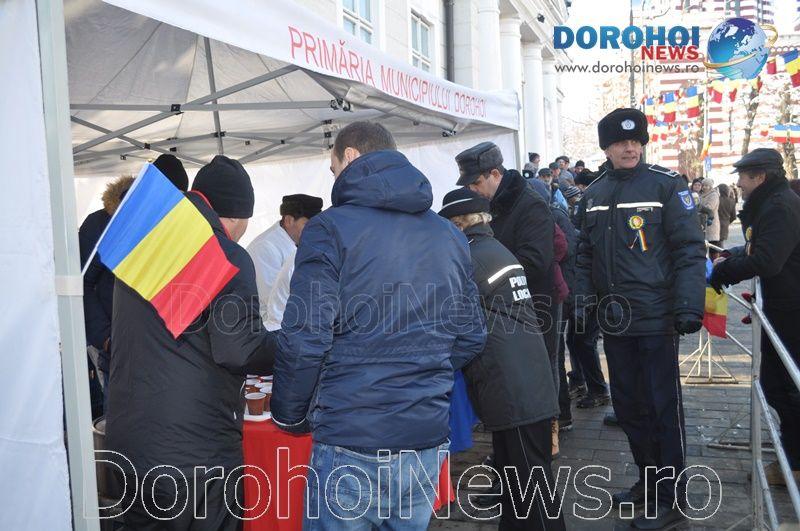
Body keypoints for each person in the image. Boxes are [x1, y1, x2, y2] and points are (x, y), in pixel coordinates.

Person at [271, 122, 486, 529]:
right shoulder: (449, 235)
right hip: (422, 437)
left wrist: (289, 414)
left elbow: (305, 337)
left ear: (350, 156)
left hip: (352, 436)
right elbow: (470, 335)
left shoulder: (329, 228)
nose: (333, 177)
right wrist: (421, 371)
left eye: (333, 168)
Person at [106, 155, 277, 530]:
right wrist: (286, 343)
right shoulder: (225, 256)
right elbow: (239, 350)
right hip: (195, 458)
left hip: (128, 447)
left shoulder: (144, 243)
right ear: (237, 217)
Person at [574, 108, 706, 529]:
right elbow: (584, 254)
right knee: (629, 407)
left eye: (635, 141)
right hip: (615, 321)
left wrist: (689, 305)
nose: (629, 147)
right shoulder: (594, 194)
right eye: (619, 142)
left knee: (662, 408)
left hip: (657, 317)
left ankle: (672, 498)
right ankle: (649, 482)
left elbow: (689, 249)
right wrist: (582, 301)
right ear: (606, 148)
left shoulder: (666, 185)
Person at [439, 188, 564, 531]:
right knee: (519, 486)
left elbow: (460, 329)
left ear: (457, 224)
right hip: (526, 379)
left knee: (531, 492)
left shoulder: (468, 259)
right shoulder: (496, 250)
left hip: (511, 386)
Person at [710, 148, 800, 486]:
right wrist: (730, 254)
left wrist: (722, 273)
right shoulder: (772, 203)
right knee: (775, 385)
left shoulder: (779, 207)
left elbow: (766, 260)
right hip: (781, 308)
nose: (739, 184)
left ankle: (794, 464)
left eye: (743, 178)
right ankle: (792, 460)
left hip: (791, 313)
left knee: (785, 388)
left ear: (759, 177)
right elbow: (755, 247)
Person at [455, 142, 557, 417]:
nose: (472, 190)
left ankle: (551, 426)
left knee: (540, 369)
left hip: (535, 301)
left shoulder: (530, 204)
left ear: (495, 174)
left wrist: (490, 272)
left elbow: (536, 261)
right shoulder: (492, 204)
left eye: (476, 182)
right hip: (504, 304)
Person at [79, 175, 134, 418]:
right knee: (118, 413)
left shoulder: (156, 223)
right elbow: (82, 284)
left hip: (146, 344)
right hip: (112, 344)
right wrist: (106, 338)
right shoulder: (99, 224)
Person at [247, 194, 322, 330]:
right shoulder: (265, 247)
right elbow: (272, 302)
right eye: (307, 225)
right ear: (288, 220)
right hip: (266, 327)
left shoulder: (296, 242)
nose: (314, 231)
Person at [700, 178, 721, 247]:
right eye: (703, 185)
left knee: (712, 245)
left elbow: (709, 207)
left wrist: (699, 207)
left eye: (706, 185)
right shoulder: (702, 194)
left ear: (710, 186)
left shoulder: (714, 195)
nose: (704, 187)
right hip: (703, 222)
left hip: (711, 222)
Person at [717, 183, 738, 249]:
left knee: (714, 246)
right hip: (725, 224)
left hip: (715, 224)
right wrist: (727, 222)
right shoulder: (732, 201)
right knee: (720, 245)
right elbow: (734, 217)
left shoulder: (717, 199)